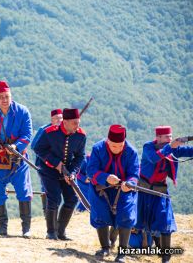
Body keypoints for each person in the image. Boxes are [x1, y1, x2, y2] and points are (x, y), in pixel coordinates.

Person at [0, 81, 33, 238]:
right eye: (1, 97)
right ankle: (2, 227)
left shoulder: (23, 112)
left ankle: (26, 228)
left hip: (18, 160)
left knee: (24, 191)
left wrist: (16, 147)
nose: (4, 100)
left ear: (11, 96)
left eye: (6, 96)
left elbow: (27, 134)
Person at [136, 125, 193, 263]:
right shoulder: (148, 147)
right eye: (167, 137)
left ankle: (165, 257)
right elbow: (155, 158)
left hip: (160, 192)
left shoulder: (173, 148)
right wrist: (171, 146)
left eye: (171, 136)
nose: (170, 139)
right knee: (139, 221)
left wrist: (174, 146)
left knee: (164, 223)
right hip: (144, 191)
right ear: (158, 137)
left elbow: (190, 151)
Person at [87, 125, 139, 262]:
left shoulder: (131, 151)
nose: (117, 149)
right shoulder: (98, 148)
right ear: (108, 141)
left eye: (120, 146)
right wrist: (105, 177)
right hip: (101, 189)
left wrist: (130, 184)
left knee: (126, 216)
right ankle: (105, 247)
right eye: (113, 146)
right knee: (101, 215)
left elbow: (134, 174)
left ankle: (122, 253)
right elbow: (91, 170)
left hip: (124, 190)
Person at [33, 108, 86, 240]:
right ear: (65, 122)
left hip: (67, 170)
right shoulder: (50, 132)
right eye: (74, 123)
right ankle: (51, 232)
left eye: (78, 122)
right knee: (54, 198)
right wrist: (56, 163)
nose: (77, 126)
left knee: (72, 198)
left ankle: (61, 232)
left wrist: (72, 172)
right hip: (48, 169)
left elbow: (80, 156)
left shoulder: (80, 135)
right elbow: (38, 149)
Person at [31, 109, 63, 215]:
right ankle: (47, 214)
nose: (59, 120)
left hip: (60, 164)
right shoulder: (44, 130)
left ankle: (56, 213)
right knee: (46, 188)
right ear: (52, 119)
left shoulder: (65, 130)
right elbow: (34, 146)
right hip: (45, 163)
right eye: (56, 118)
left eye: (60, 118)